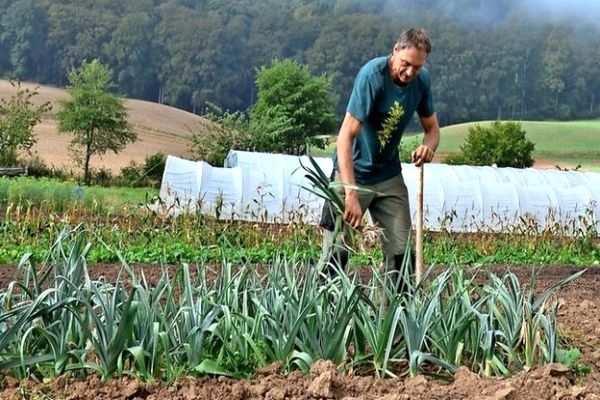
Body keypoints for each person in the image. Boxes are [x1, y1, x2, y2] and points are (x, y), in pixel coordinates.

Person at [319, 28, 440, 284]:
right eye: (405, 64)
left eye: (416, 67)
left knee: (401, 256)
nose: (409, 73)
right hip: (353, 173)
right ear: (395, 50)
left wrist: (429, 147)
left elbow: (432, 131)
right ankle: (321, 320)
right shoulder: (372, 76)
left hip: (388, 176)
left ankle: (391, 321)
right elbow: (344, 138)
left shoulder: (422, 81)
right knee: (337, 253)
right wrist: (351, 193)